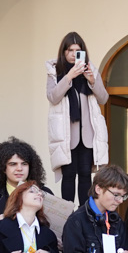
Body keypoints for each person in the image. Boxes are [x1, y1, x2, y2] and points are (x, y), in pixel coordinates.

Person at [46, 32, 109, 204]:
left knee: (85, 176)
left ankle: (84, 215)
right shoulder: (54, 71)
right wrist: (69, 76)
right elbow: (53, 97)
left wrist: (92, 81)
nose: (74, 54)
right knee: (68, 176)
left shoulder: (91, 70)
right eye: (70, 50)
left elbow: (103, 98)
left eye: (78, 50)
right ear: (63, 52)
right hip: (66, 135)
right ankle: (67, 216)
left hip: (87, 135)